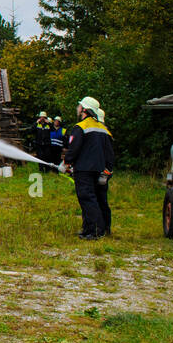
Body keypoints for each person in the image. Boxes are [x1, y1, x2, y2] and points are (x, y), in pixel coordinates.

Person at [62, 96, 114, 239]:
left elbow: (74, 148)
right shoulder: (102, 129)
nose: (78, 108)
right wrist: (108, 170)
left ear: (85, 110)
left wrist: (66, 163)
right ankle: (89, 229)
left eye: (80, 106)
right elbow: (109, 153)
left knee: (87, 199)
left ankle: (95, 231)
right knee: (96, 199)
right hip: (98, 169)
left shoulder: (81, 127)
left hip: (84, 169)